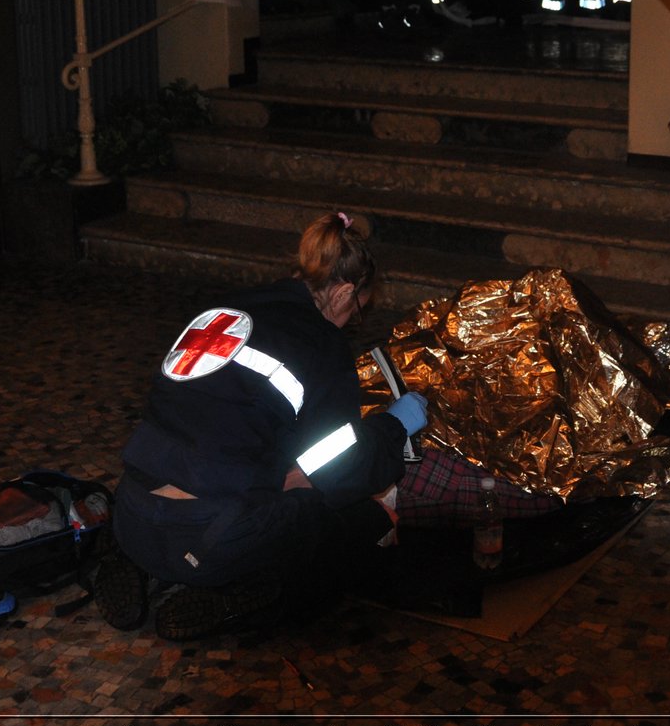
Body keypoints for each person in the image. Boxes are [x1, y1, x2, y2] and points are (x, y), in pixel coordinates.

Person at [94, 213, 429, 641]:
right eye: (358, 310)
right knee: (351, 526)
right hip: (210, 541)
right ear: (345, 291)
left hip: (131, 511)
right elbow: (338, 466)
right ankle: (238, 598)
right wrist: (393, 428)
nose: (351, 321)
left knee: (247, 471)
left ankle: (126, 558)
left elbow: (219, 416)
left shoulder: (224, 310)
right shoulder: (321, 344)